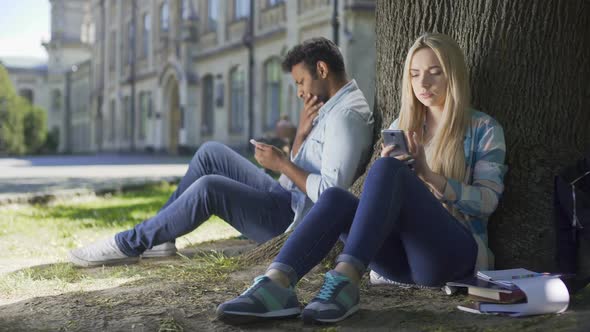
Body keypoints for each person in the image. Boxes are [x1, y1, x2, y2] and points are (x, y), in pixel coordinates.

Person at [216, 33, 507, 325]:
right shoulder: (401, 127)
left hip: (452, 254)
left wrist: (428, 176)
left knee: (387, 170)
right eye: (415, 74)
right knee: (336, 197)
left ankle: (344, 282)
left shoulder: (484, 129)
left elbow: (487, 203)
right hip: (401, 262)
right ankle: (275, 284)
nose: (423, 83)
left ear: (453, 75)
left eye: (435, 73)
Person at [68, 37, 374, 267]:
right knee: (210, 152)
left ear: (321, 69)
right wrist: (300, 136)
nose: (299, 92)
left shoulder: (344, 117)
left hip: (291, 222)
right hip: (286, 198)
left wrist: (281, 163)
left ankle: (128, 243)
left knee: (209, 188)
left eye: (301, 82)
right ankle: (160, 235)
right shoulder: (328, 108)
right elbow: (298, 175)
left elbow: (332, 194)